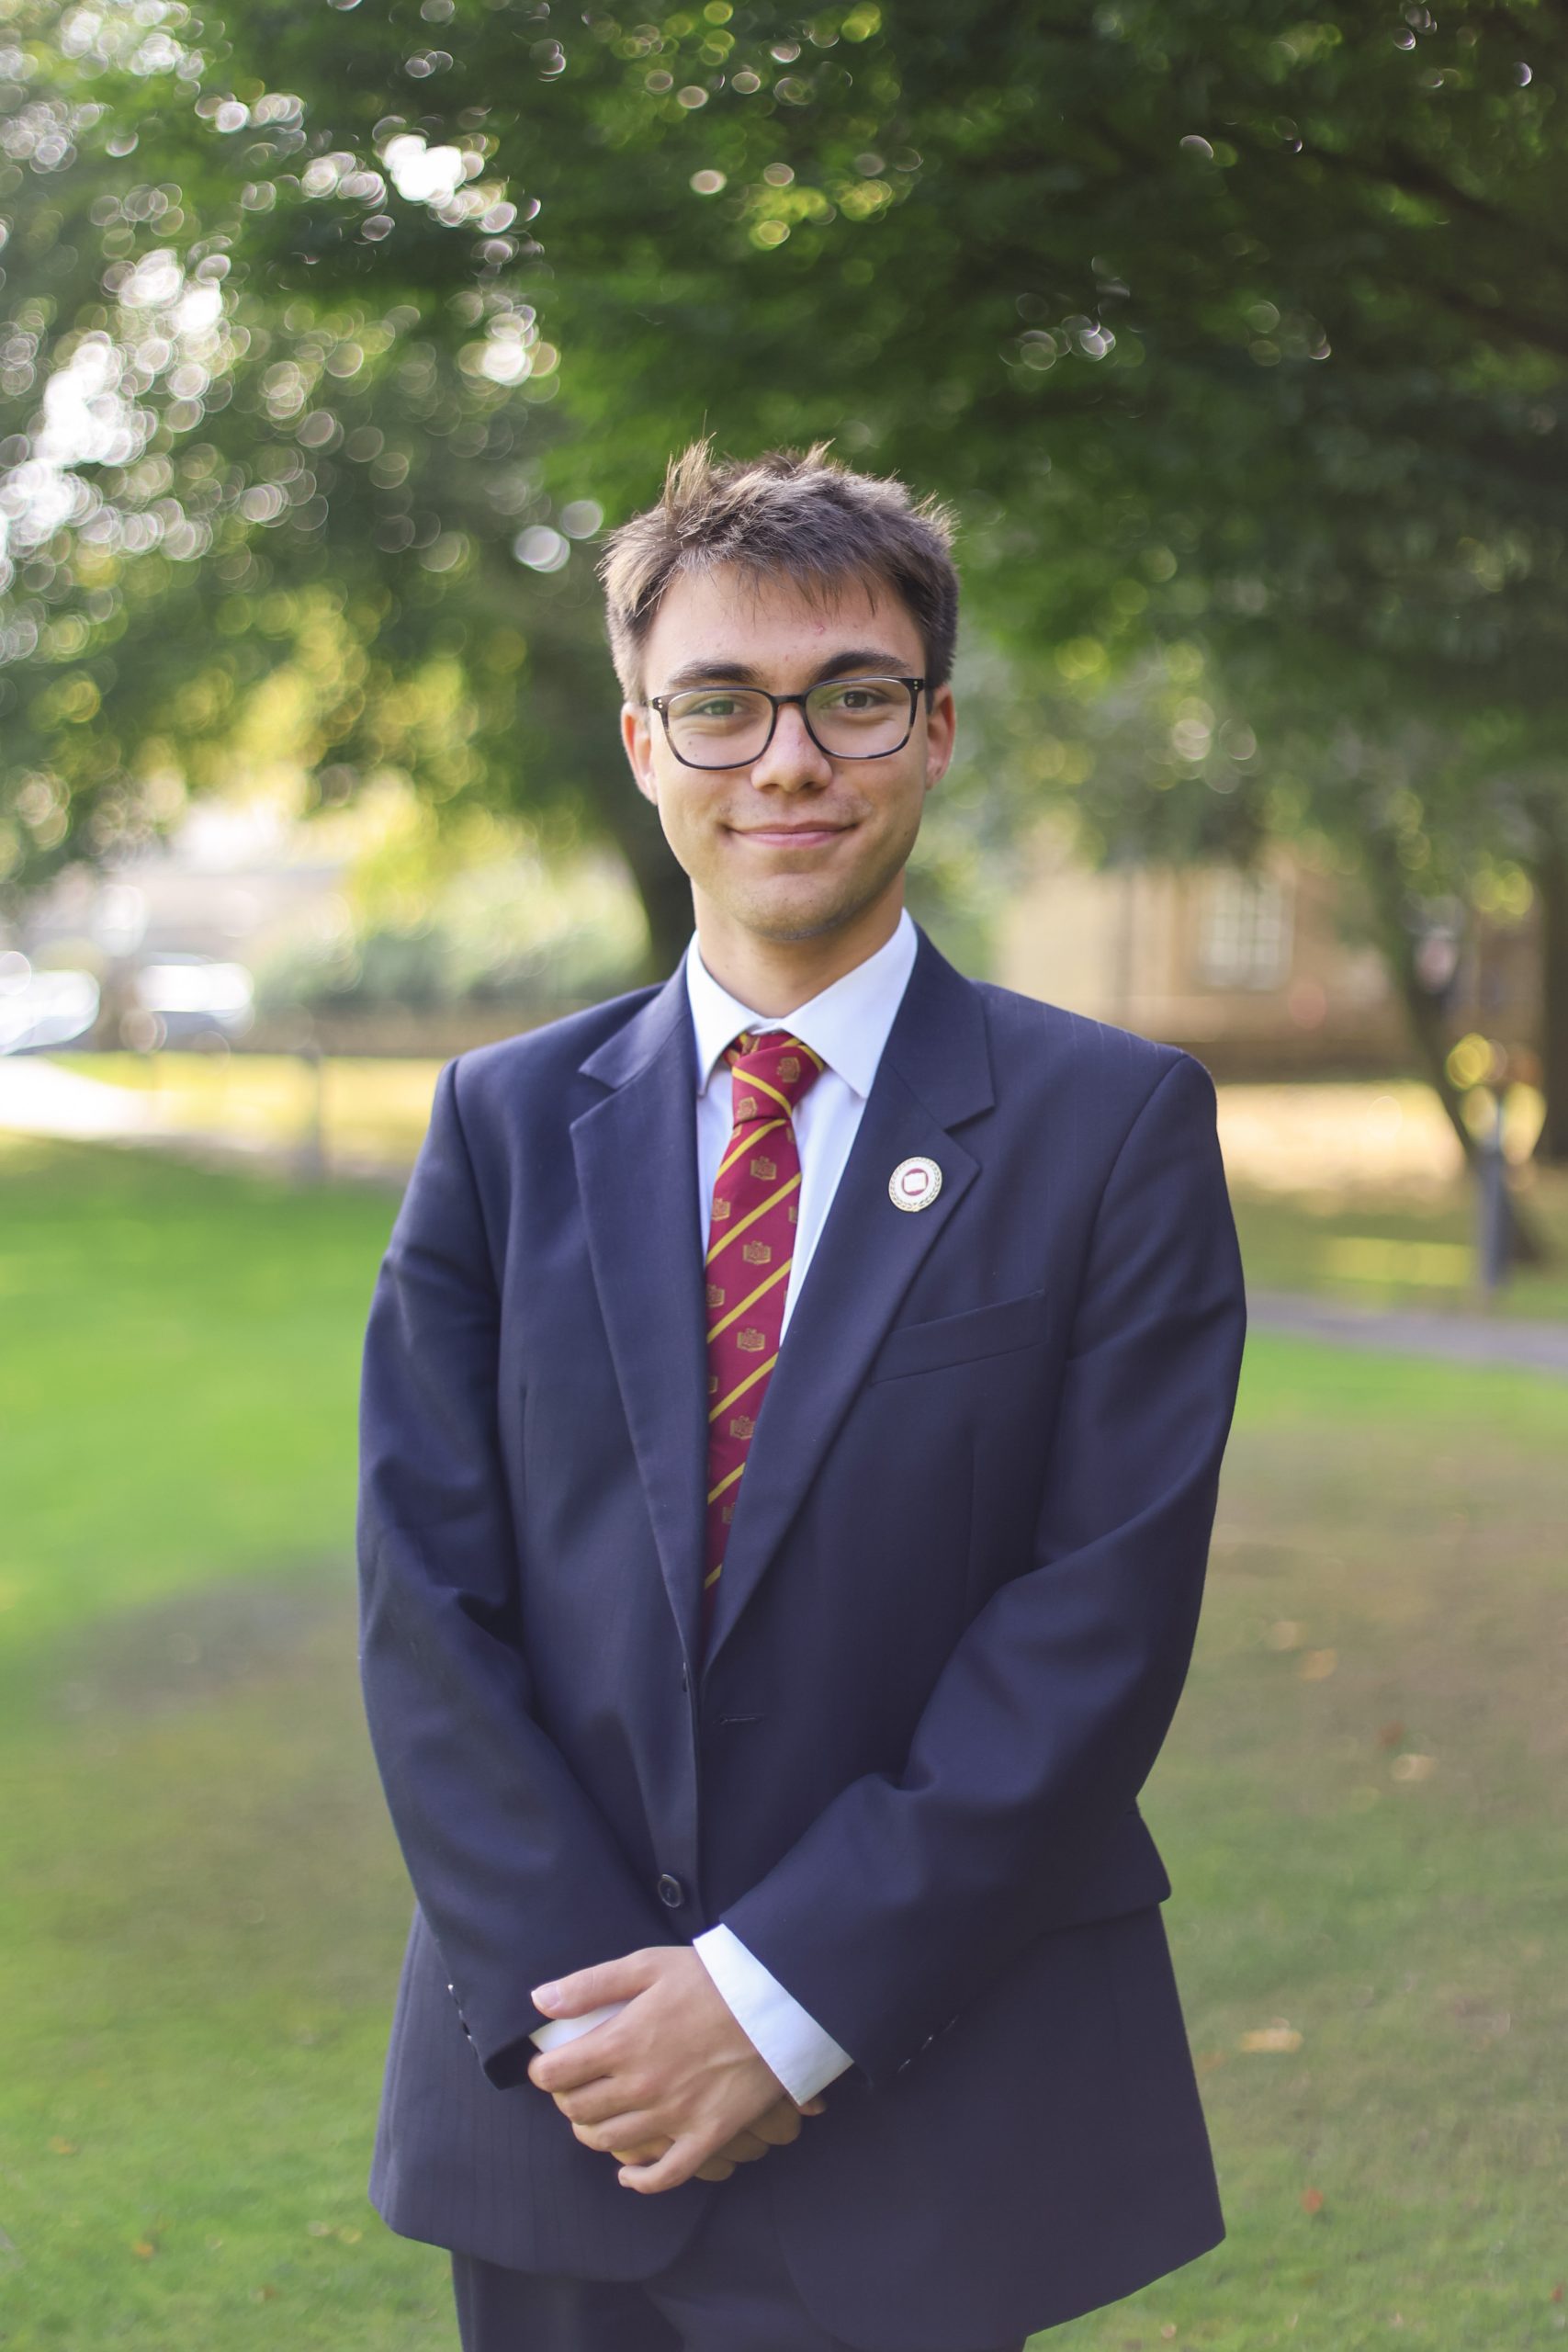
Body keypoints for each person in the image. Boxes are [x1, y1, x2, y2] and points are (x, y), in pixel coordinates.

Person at [355, 442, 1248, 2352]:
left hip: (930, 2093)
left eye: (848, 695)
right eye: (721, 703)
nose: (786, 759)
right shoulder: (499, 1126)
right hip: (560, 2106)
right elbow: (425, 1605)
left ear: (929, 731)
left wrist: (774, 2000)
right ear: (640, 739)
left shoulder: (1110, 1129)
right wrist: (595, 2020)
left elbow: (1086, 1632)